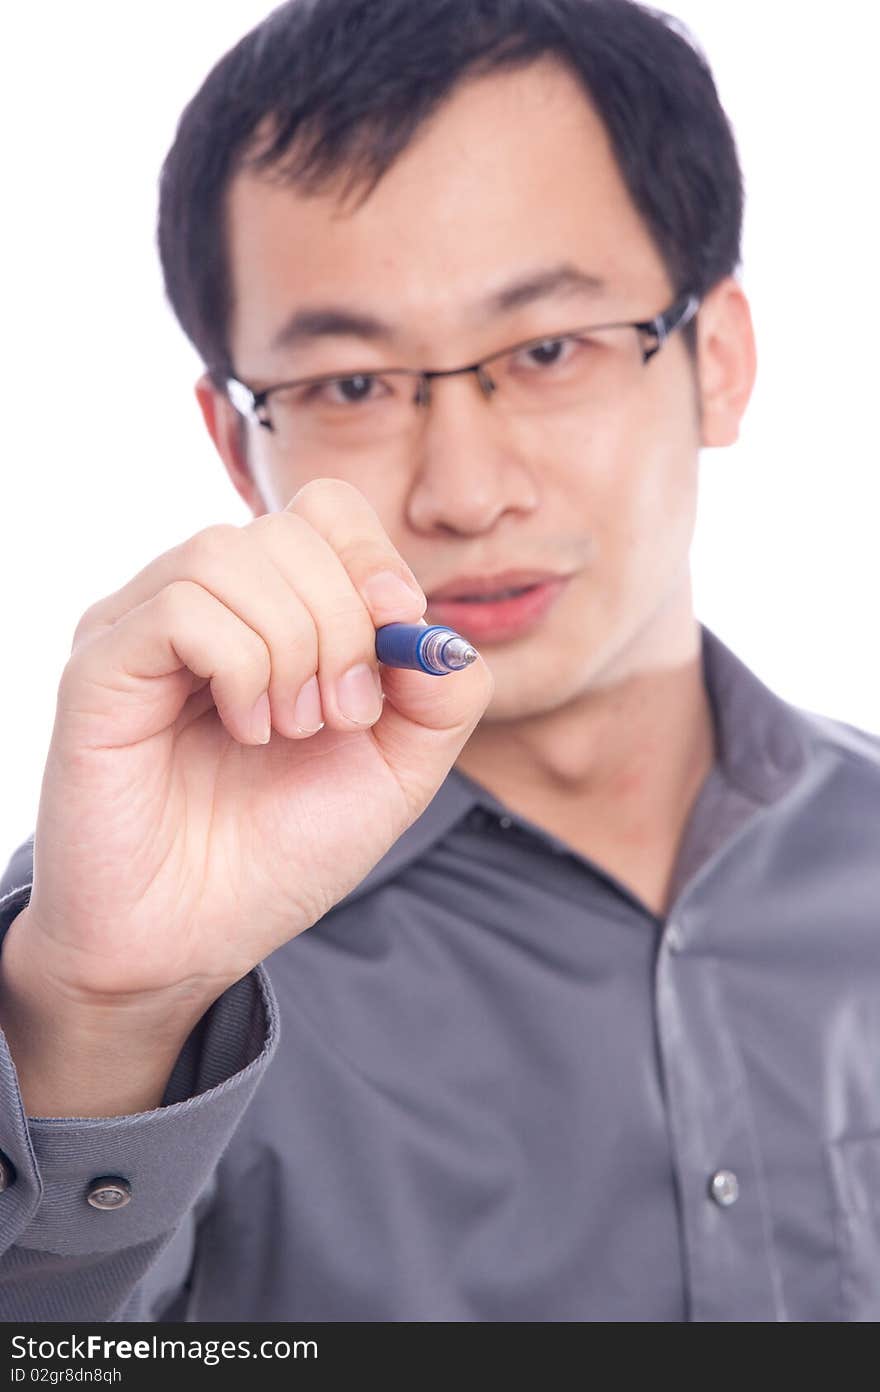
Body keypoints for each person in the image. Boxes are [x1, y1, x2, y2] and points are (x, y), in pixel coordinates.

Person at [0, 0, 877, 1325]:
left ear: (723, 360)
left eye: (547, 350)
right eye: (350, 385)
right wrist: (102, 1023)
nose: (465, 495)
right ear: (238, 447)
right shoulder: (142, 930)